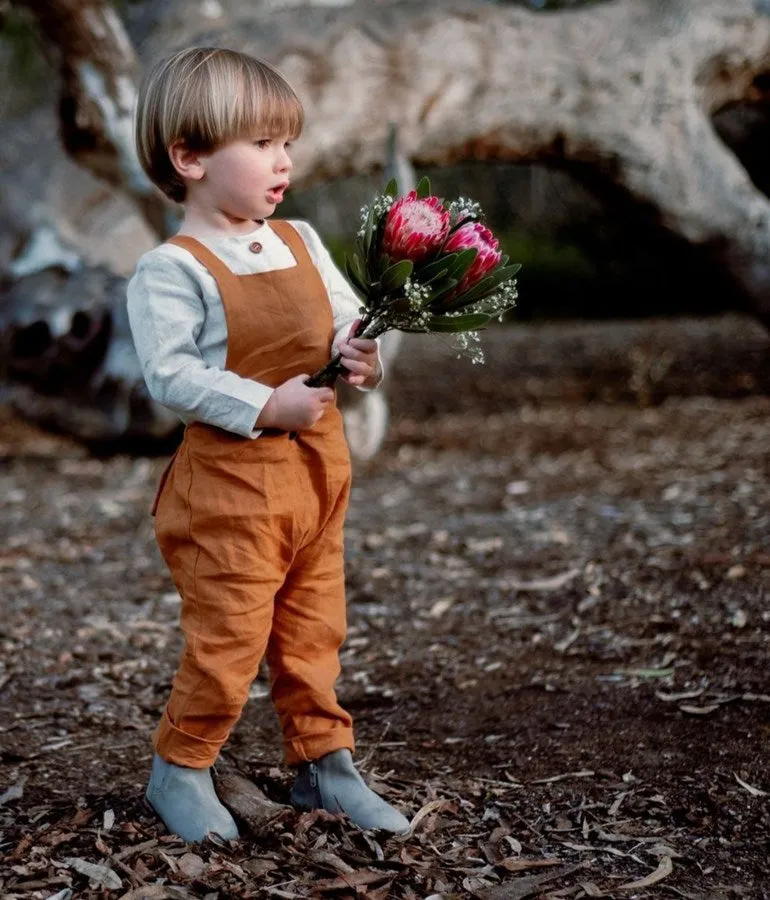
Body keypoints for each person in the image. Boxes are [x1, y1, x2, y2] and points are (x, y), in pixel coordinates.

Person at [126, 46, 410, 842]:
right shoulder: (169, 268)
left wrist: (363, 350)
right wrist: (263, 403)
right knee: (231, 635)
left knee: (315, 627)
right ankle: (179, 767)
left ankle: (325, 765)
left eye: (286, 142)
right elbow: (171, 374)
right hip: (230, 491)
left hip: (318, 475)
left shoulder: (300, 238)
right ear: (190, 157)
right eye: (260, 144)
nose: (283, 161)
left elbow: (345, 318)